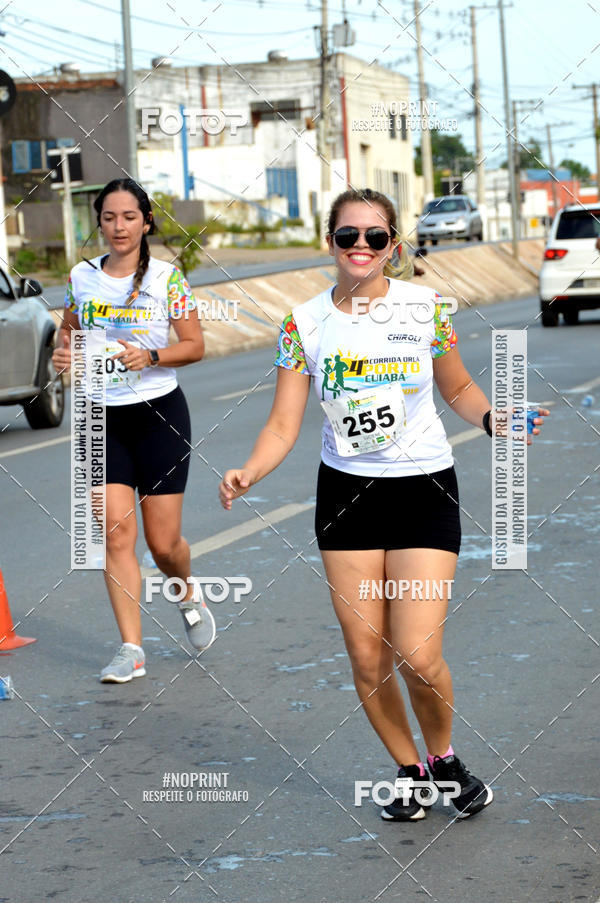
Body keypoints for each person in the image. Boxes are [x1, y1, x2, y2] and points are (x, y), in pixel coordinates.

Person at [219, 187, 548, 821]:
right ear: (330, 242)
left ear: (393, 244)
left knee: (418, 655)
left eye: (375, 236)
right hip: (347, 498)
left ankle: (444, 756)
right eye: (349, 236)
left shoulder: (426, 310)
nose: (361, 246)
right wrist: (249, 471)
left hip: (424, 489)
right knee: (368, 655)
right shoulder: (302, 323)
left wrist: (493, 418)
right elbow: (283, 424)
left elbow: (457, 385)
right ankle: (410, 771)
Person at [53, 178, 216, 683]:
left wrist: (153, 355)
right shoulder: (82, 277)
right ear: (99, 223)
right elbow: (69, 330)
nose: (118, 226)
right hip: (99, 417)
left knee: (163, 545)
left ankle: (186, 592)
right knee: (115, 534)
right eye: (109, 218)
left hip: (158, 415)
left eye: (129, 217)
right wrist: (64, 353)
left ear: (146, 222)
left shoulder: (168, 278)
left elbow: (194, 344)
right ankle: (131, 649)